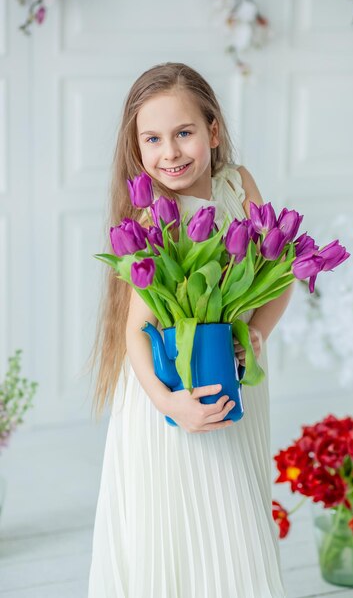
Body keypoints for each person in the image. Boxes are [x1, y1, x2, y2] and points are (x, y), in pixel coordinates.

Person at [88, 62, 294, 598]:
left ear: (213, 131)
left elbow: (281, 277)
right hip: (169, 396)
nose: (171, 152)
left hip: (234, 373)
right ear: (137, 149)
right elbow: (137, 331)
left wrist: (257, 335)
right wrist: (169, 405)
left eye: (184, 133)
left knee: (236, 511)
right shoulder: (156, 216)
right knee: (180, 520)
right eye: (152, 139)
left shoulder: (238, 185)